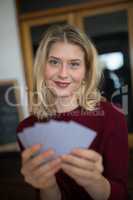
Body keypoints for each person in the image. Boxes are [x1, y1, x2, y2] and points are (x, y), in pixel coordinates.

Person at [16, 24, 128, 200]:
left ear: (86, 71)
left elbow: (121, 194)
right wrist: (48, 186)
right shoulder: (27, 128)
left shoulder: (112, 117)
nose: (63, 73)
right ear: (42, 67)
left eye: (74, 64)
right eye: (54, 62)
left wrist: (94, 181)